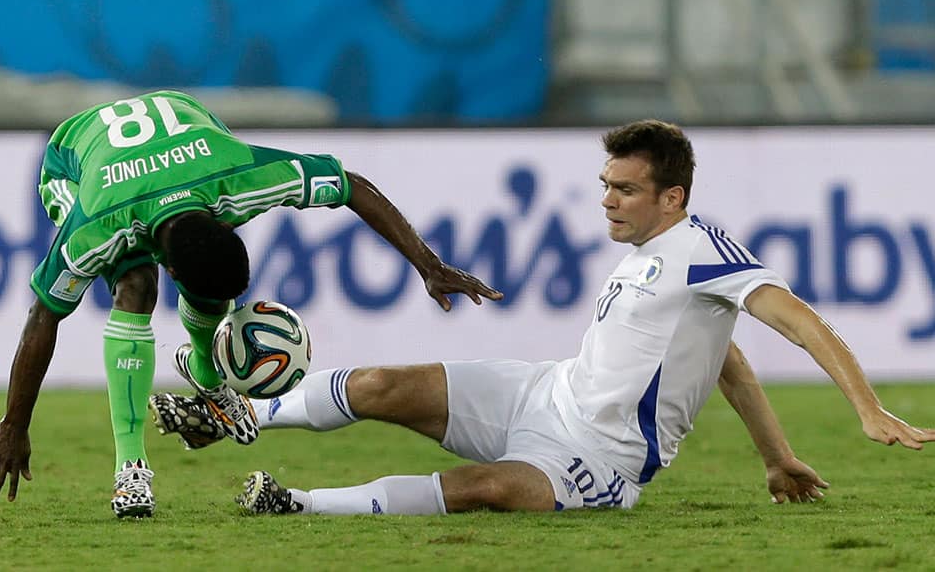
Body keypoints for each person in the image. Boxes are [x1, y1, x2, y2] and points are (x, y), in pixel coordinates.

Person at [155, 119, 935, 515]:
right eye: (605, 184)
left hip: (603, 457)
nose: (607, 199)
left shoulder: (704, 249)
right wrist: (776, 456)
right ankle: (235, 413)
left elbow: (800, 321)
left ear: (674, 198)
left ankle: (294, 504)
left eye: (625, 190)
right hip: (541, 394)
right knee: (382, 382)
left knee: (488, 488)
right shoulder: (650, 260)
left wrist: (866, 408)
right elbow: (724, 360)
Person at [0, 90, 502, 518]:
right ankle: (130, 468)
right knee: (135, 285)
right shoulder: (96, 224)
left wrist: (430, 265)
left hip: (190, 133)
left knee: (204, 284)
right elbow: (44, 315)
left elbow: (350, 185)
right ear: (176, 267)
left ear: (228, 219)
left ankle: (207, 371)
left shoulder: (240, 176)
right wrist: (14, 422)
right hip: (77, 161)